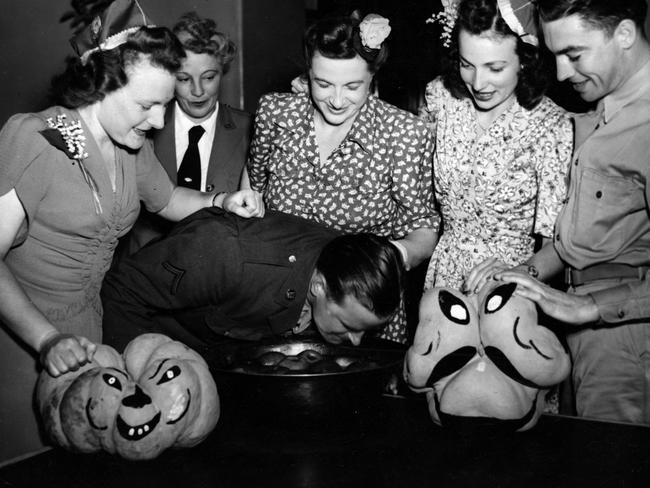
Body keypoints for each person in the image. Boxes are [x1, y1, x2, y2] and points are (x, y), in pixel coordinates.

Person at [0, 0, 262, 464]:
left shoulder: (129, 143)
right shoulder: (33, 139)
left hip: (88, 334)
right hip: (24, 340)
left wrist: (221, 201)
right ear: (100, 83)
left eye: (164, 105)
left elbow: (167, 200)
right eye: (148, 104)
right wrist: (47, 341)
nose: (160, 120)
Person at [482, 0, 650, 425]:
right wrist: (527, 273)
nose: (560, 72)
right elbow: (585, 238)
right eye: (555, 55)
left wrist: (593, 307)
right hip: (586, 330)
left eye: (574, 54)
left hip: (626, 337)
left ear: (624, 35)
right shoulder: (602, 109)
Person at [247, 12, 439, 344]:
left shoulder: (404, 134)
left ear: (373, 77)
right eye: (322, 84)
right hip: (276, 300)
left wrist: (394, 256)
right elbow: (252, 185)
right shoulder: (275, 114)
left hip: (360, 315)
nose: (336, 101)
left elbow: (423, 227)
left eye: (352, 86)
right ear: (308, 71)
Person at [419, 0, 573, 292]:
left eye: (495, 68)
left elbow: (559, 246)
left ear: (525, 59)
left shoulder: (552, 125)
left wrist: (519, 273)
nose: (478, 83)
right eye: (467, 65)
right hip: (444, 278)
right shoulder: (441, 98)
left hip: (512, 289)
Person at [102, 208, 404, 352]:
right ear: (319, 287)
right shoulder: (226, 251)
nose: (356, 341)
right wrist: (145, 364)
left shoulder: (343, 258)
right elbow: (120, 292)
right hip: (166, 337)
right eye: (350, 327)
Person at [124, 12, 253, 255]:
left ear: (222, 71)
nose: (198, 91)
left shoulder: (251, 129)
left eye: (209, 77)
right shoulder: (143, 127)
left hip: (219, 265)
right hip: (146, 265)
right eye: (184, 79)